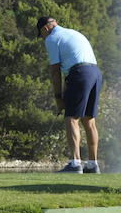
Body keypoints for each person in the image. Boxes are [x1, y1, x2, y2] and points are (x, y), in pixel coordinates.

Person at [37, 17, 103, 173]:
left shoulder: (52, 38)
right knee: (89, 121)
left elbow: (55, 70)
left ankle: (75, 164)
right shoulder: (74, 33)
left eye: (41, 35)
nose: (43, 39)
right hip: (95, 73)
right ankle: (93, 165)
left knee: (71, 118)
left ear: (45, 29)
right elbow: (71, 66)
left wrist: (58, 98)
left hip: (80, 73)